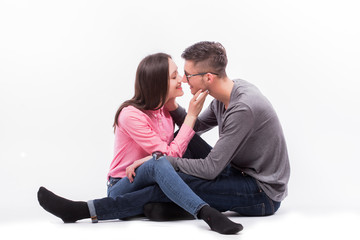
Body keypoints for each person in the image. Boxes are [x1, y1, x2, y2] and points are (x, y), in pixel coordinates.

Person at [37, 52, 243, 235]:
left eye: (178, 74)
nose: (182, 79)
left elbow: (178, 148)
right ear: (158, 84)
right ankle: (206, 213)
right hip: (124, 184)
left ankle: (223, 179)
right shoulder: (130, 115)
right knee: (159, 161)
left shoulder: (164, 110)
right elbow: (170, 156)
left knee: (181, 145)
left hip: (154, 183)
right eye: (174, 77)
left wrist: (175, 108)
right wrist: (190, 116)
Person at [142, 41, 290, 219]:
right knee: (186, 141)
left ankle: (124, 202)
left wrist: (161, 162)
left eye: (188, 75)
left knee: (175, 180)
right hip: (237, 171)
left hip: (263, 192)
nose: (183, 79)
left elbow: (210, 169)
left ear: (208, 78)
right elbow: (195, 128)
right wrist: (172, 105)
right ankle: (176, 203)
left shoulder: (243, 108)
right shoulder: (224, 95)